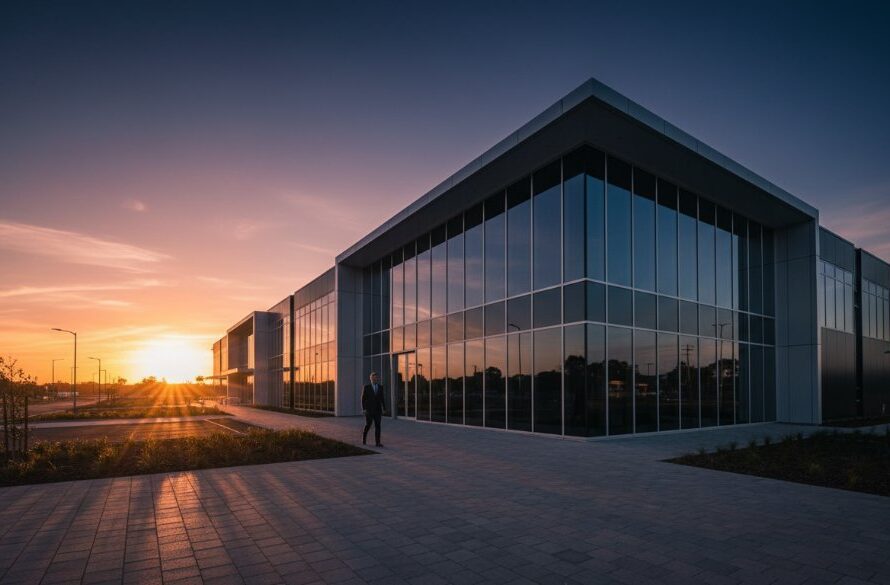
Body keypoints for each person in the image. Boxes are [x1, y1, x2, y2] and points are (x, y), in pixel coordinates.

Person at [361, 371, 386, 447]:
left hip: (378, 410)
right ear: (370, 379)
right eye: (373, 378)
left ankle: (377, 442)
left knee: (378, 426)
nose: (375, 379)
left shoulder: (380, 387)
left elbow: (382, 398)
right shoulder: (366, 387)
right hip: (369, 410)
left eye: (376, 378)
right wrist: (364, 409)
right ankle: (364, 439)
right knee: (368, 425)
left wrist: (384, 408)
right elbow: (363, 399)